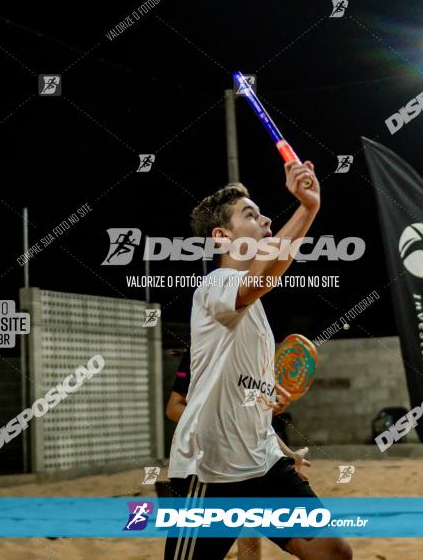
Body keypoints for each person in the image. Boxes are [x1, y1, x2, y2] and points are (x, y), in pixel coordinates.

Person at [165, 163, 351, 560]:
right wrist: (308, 208)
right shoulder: (215, 286)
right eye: (250, 214)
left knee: (334, 552)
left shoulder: (257, 315)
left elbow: (247, 399)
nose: (265, 218)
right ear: (222, 236)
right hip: (209, 471)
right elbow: (260, 278)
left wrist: (282, 444)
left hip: (264, 464)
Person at [165, 350, 292, 560]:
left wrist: (287, 454)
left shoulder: (253, 356)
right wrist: (214, 425)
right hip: (208, 465)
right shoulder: (202, 352)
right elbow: (173, 408)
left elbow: (253, 422)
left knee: (249, 531)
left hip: (249, 460)